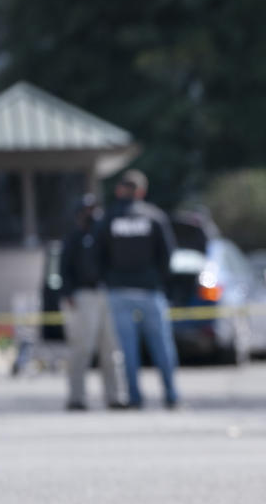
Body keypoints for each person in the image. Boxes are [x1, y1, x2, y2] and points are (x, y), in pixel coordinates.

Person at [97, 169, 180, 409]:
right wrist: (157, 280)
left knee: (128, 350)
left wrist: (109, 278)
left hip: (119, 291)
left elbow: (97, 254)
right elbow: (168, 255)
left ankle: (134, 397)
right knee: (162, 346)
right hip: (150, 291)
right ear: (142, 191)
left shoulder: (109, 219)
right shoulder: (154, 217)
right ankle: (171, 395)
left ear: (120, 189)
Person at [59, 194, 126, 411]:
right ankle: (76, 397)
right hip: (83, 296)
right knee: (82, 349)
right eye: (88, 210)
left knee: (111, 349)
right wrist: (68, 294)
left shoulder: (104, 236)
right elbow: (64, 269)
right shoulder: (73, 238)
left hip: (106, 294)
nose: (92, 215)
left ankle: (115, 396)